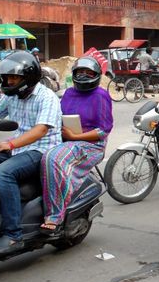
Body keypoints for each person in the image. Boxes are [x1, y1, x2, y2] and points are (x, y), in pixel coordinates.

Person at [0, 51, 61, 255]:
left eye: (14, 78)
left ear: (28, 78)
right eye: (7, 78)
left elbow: (41, 130)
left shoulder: (46, 97)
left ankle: (13, 234)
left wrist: (10, 144)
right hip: (19, 147)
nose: (9, 81)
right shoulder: (12, 95)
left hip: (41, 149)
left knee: (4, 173)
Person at [39, 57, 113, 234]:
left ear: (97, 75)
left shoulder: (101, 95)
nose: (84, 75)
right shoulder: (69, 93)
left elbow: (103, 131)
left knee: (52, 158)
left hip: (91, 145)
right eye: (80, 72)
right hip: (67, 139)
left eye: (89, 73)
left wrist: (75, 136)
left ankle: (55, 216)